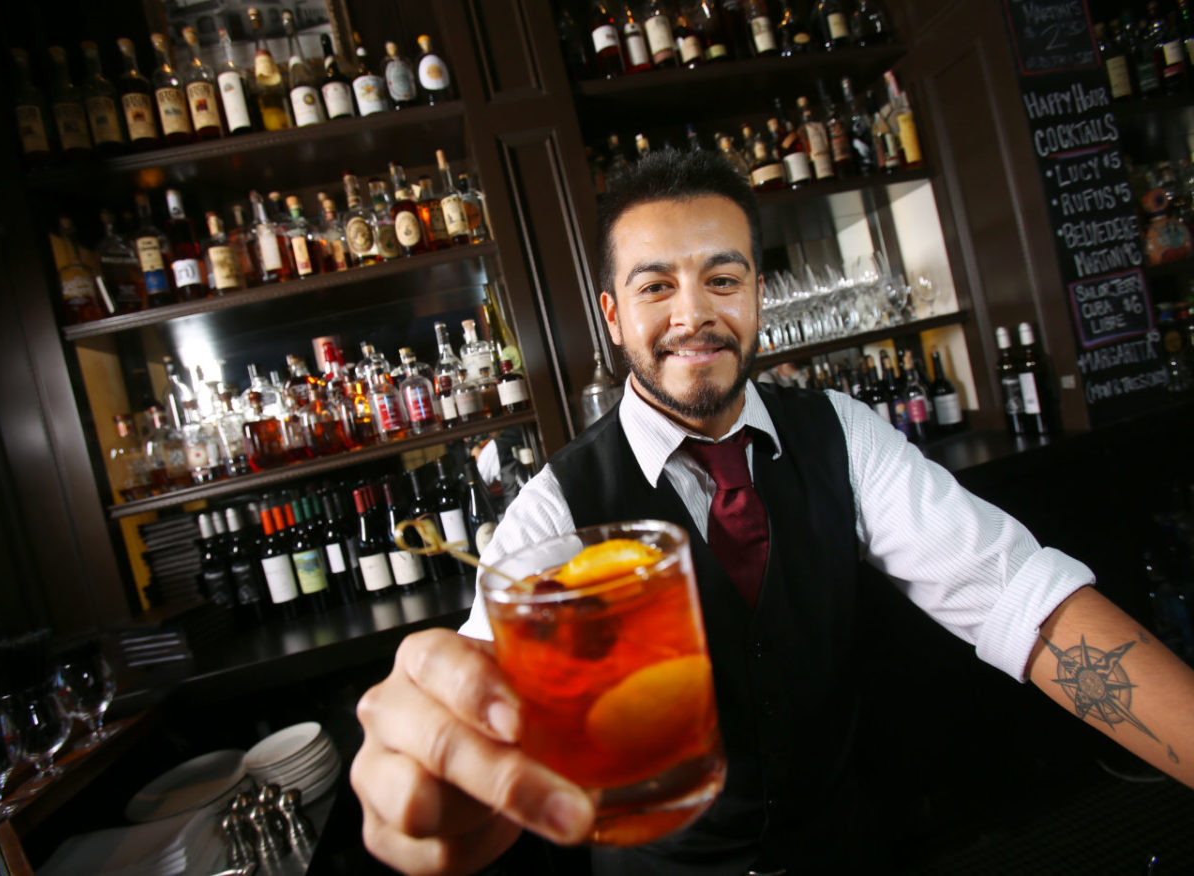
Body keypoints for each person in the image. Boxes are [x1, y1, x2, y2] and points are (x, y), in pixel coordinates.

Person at [351, 150, 1194, 875]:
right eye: (655, 287)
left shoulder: (844, 434)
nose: (695, 315)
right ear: (612, 315)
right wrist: (433, 764)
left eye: (723, 278)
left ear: (758, 292)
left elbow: (1021, 600)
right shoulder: (554, 509)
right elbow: (472, 692)